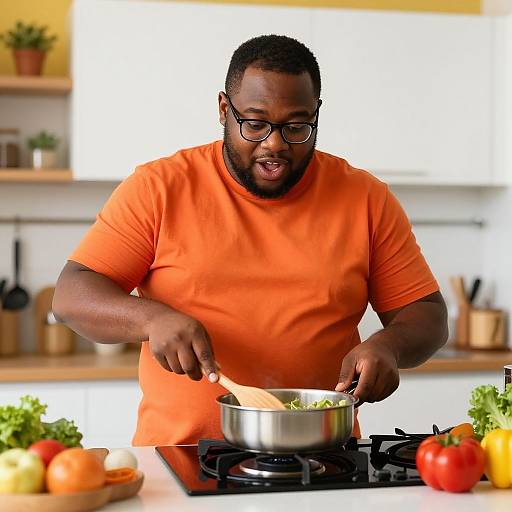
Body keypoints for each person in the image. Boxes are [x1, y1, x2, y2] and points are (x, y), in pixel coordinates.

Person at [53, 35, 448, 446]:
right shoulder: (159, 188)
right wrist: (151, 320)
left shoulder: (365, 198)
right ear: (225, 110)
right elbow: (71, 295)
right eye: (255, 123)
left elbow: (428, 316)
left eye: (296, 126)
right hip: (182, 453)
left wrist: (390, 345)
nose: (274, 144)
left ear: (316, 114)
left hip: (326, 453)